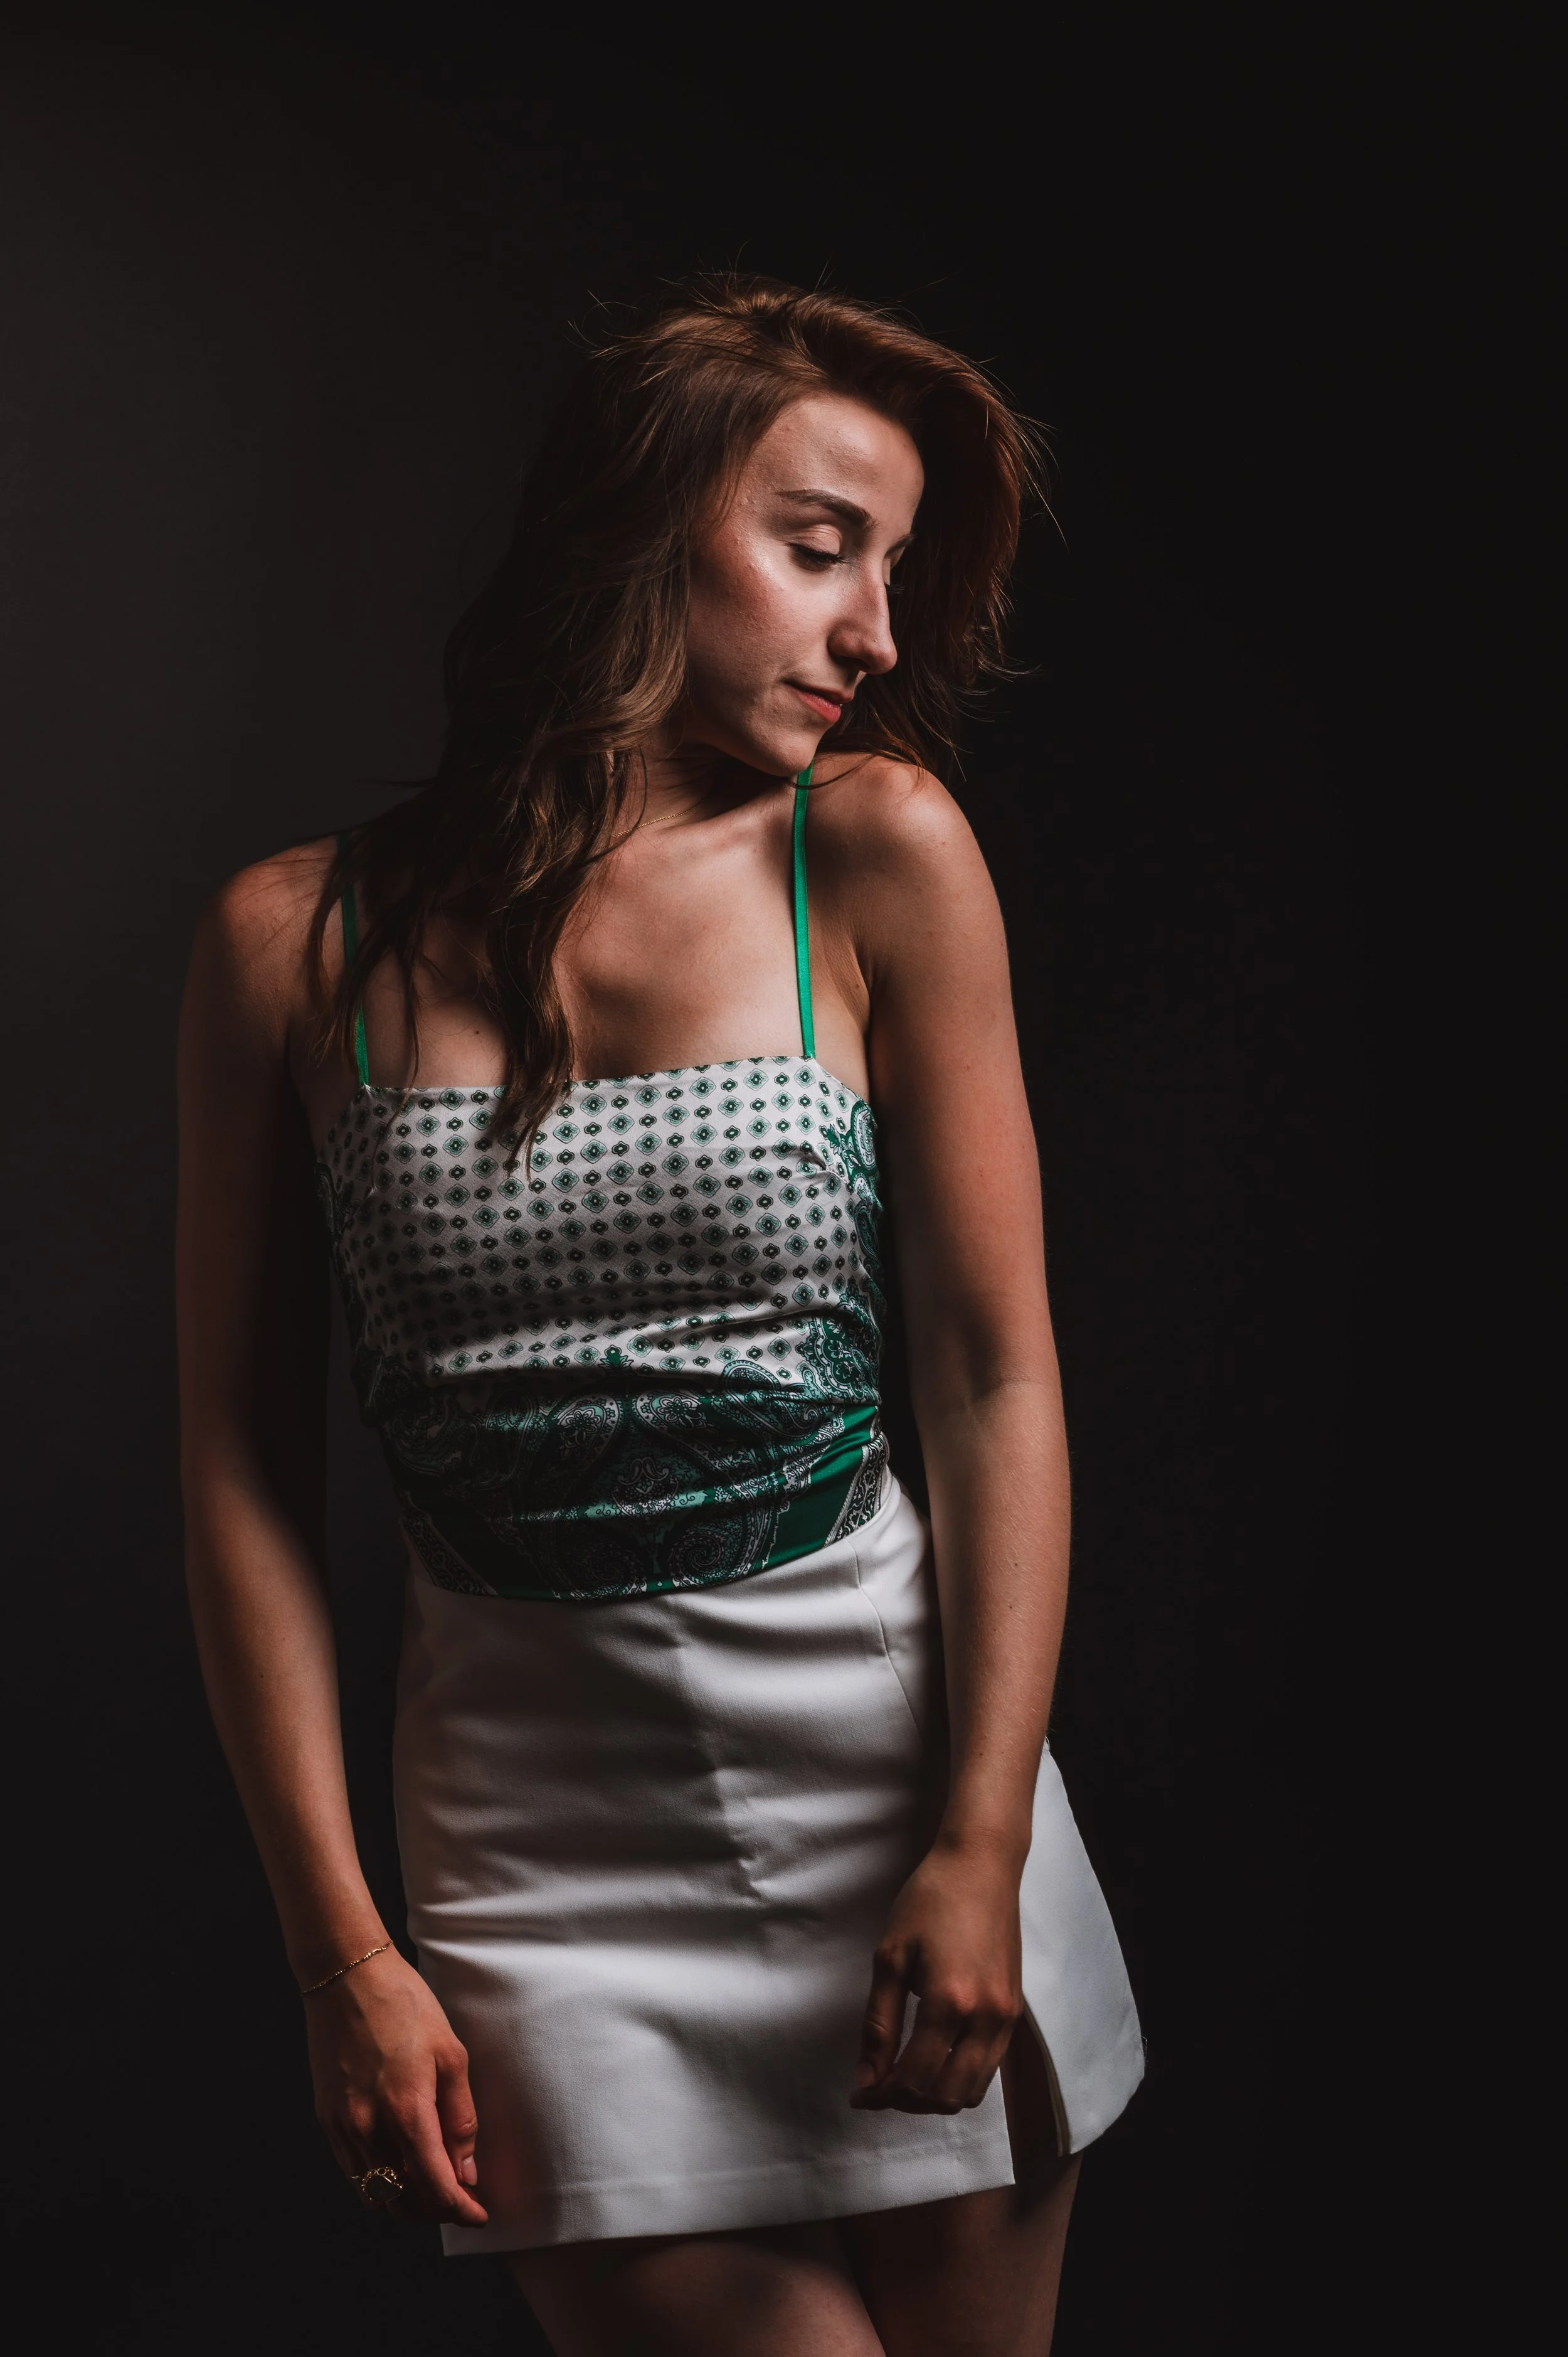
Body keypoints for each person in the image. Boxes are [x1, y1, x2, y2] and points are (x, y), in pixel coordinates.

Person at [177, 277, 1143, 2356]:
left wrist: (983, 1831)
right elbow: (244, 1473)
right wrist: (341, 1950)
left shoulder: (874, 853)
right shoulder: (288, 941)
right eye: (819, 551)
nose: (874, 630)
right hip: (535, 1873)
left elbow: (992, 1378)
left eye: (889, 569)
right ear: (635, 523)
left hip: (898, 1798)